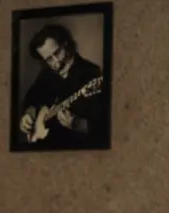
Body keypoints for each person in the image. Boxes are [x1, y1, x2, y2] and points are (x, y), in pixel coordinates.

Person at [17, 22, 108, 150]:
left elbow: (103, 127)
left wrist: (78, 124)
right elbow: (32, 97)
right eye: (49, 59)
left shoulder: (91, 72)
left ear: (66, 44)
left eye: (58, 52)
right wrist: (28, 114)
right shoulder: (47, 74)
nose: (56, 62)